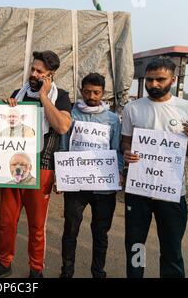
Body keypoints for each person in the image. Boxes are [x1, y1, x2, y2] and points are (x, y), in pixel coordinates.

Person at [0, 50, 72, 278]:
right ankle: (4, 263)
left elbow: (62, 126)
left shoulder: (60, 96)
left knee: (37, 226)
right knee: (7, 221)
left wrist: (43, 96)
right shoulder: (18, 93)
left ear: (50, 75)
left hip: (42, 167)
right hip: (13, 167)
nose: (33, 74)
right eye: (32, 69)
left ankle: (36, 269)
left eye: (39, 71)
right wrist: (8, 109)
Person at [121, 58, 188, 278]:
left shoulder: (187, 108)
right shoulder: (132, 108)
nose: (153, 84)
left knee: (171, 249)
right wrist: (127, 152)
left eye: (160, 79)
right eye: (149, 79)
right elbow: (125, 141)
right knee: (136, 246)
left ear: (173, 80)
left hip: (172, 192)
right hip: (139, 191)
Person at [58, 72, 123, 278]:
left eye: (96, 92)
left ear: (103, 93)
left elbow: (116, 150)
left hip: (103, 187)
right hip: (76, 186)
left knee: (100, 233)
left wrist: (118, 172)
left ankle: (98, 272)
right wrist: (62, 176)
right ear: (81, 91)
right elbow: (63, 146)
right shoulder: (71, 114)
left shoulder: (112, 119)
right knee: (70, 231)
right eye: (87, 92)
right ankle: (66, 272)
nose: (92, 96)